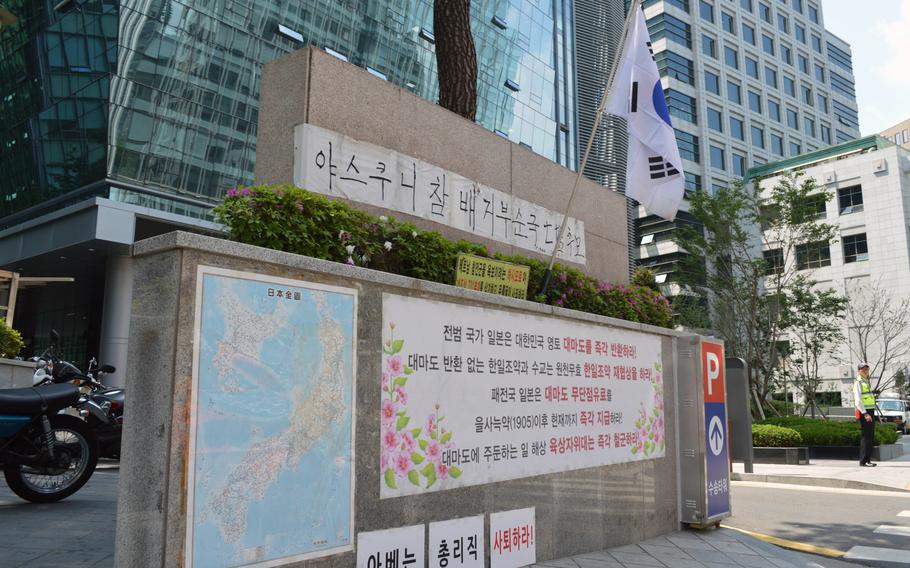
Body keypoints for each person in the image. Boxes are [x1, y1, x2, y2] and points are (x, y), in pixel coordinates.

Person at [853, 363, 877, 467]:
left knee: (870, 436)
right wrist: (865, 413)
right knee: (866, 436)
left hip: (870, 411)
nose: (866, 371)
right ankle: (863, 461)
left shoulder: (866, 382)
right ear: (859, 371)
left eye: (867, 369)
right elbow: (858, 401)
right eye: (863, 369)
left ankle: (867, 460)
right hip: (865, 412)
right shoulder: (858, 382)